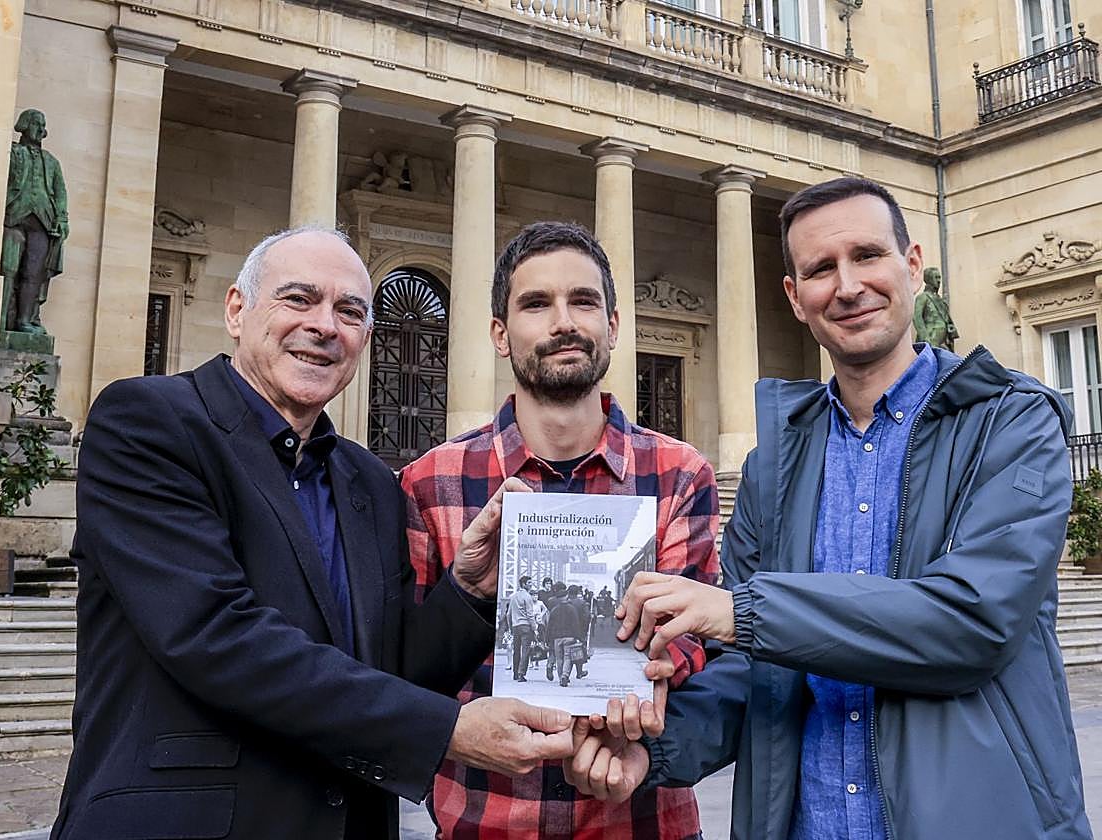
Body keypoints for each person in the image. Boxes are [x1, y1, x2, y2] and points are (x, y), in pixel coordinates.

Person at [565, 177, 1092, 839]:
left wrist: (743, 611)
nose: (847, 286)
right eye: (819, 268)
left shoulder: (1010, 422)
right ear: (794, 297)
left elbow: (973, 621)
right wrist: (653, 746)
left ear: (912, 263)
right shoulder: (775, 464)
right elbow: (757, 674)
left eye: (867, 255)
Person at [51, 227, 576, 840]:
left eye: (350, 311)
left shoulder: (372, 482)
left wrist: (469, 591)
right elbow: (213, 633)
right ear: (237, 309)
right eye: (298, 299)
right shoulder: (149, 423)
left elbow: (393, 670)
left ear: (365, 340)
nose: (325, 325)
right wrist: (448, 730)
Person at [401, 221, 719, 838]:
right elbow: (406, 671)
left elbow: (692, 646)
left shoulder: (680, 475)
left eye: (583, 301)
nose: (563, 321)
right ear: (500, 334)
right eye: (536, 303)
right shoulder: (428, 482)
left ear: (614, 326)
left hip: (640, 822)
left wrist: (656, 677)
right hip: (484, 821)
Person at [1, 108, 69, 334]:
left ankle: (24, 320)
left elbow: (60, 193)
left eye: (43, 125)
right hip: (14, 218)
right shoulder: (11, 152)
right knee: (8, 269)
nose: (41, 130)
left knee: (33, 272)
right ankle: (0, 318)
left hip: (42, 222)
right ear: (24, 125)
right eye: (36, 124)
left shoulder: (51, 162)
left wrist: (62, 219)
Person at [913, 266, 958, 350]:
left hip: (944, 342)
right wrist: (925, 338)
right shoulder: (923, 297)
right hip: (930, 340)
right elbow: (916, 317)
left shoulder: (940, 300)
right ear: (929, 279)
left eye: (939, 277)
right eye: (936, 277)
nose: (939, 280)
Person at [509, 575, 539, 681]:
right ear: (524, 584)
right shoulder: (528, 597)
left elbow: (509, 614)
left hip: (515, 626)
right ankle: (521, 674)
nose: (531, 585)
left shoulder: (513, 596)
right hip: (526, 626)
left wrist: (511, 627)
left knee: (516, 650)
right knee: (525, 651)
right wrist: (535, 628)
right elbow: (530, 615)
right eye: (529, 583)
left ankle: (515, 673)